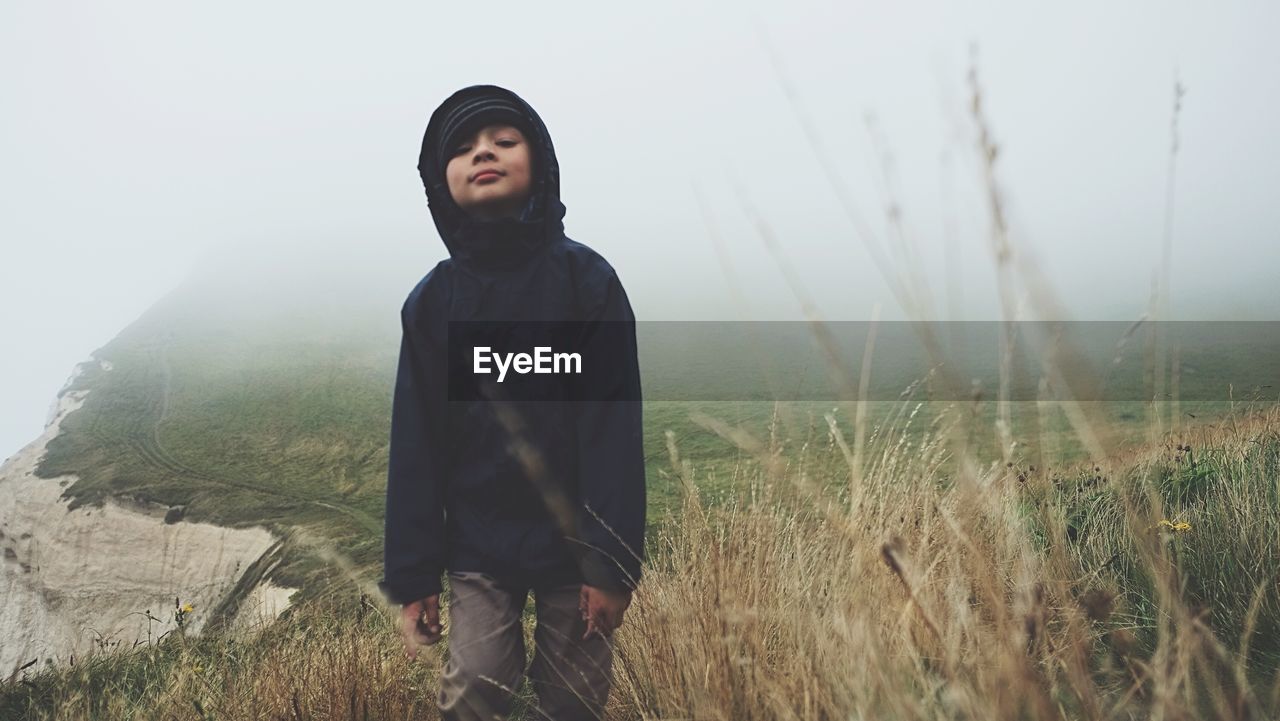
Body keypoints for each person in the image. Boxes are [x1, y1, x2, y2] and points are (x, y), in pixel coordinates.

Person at [378, 84, 647, 721]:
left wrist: (611, 568)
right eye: (465, 148)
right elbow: (415, 444)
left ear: (541, 164)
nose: (484, 154)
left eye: (504, 140)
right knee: (476, 686)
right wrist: (413, 580)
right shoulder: (433, 304)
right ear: (441, 182)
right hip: (478, 545)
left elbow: (613, 429)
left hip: (577, 543)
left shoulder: (589, 285)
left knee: (574, 697)